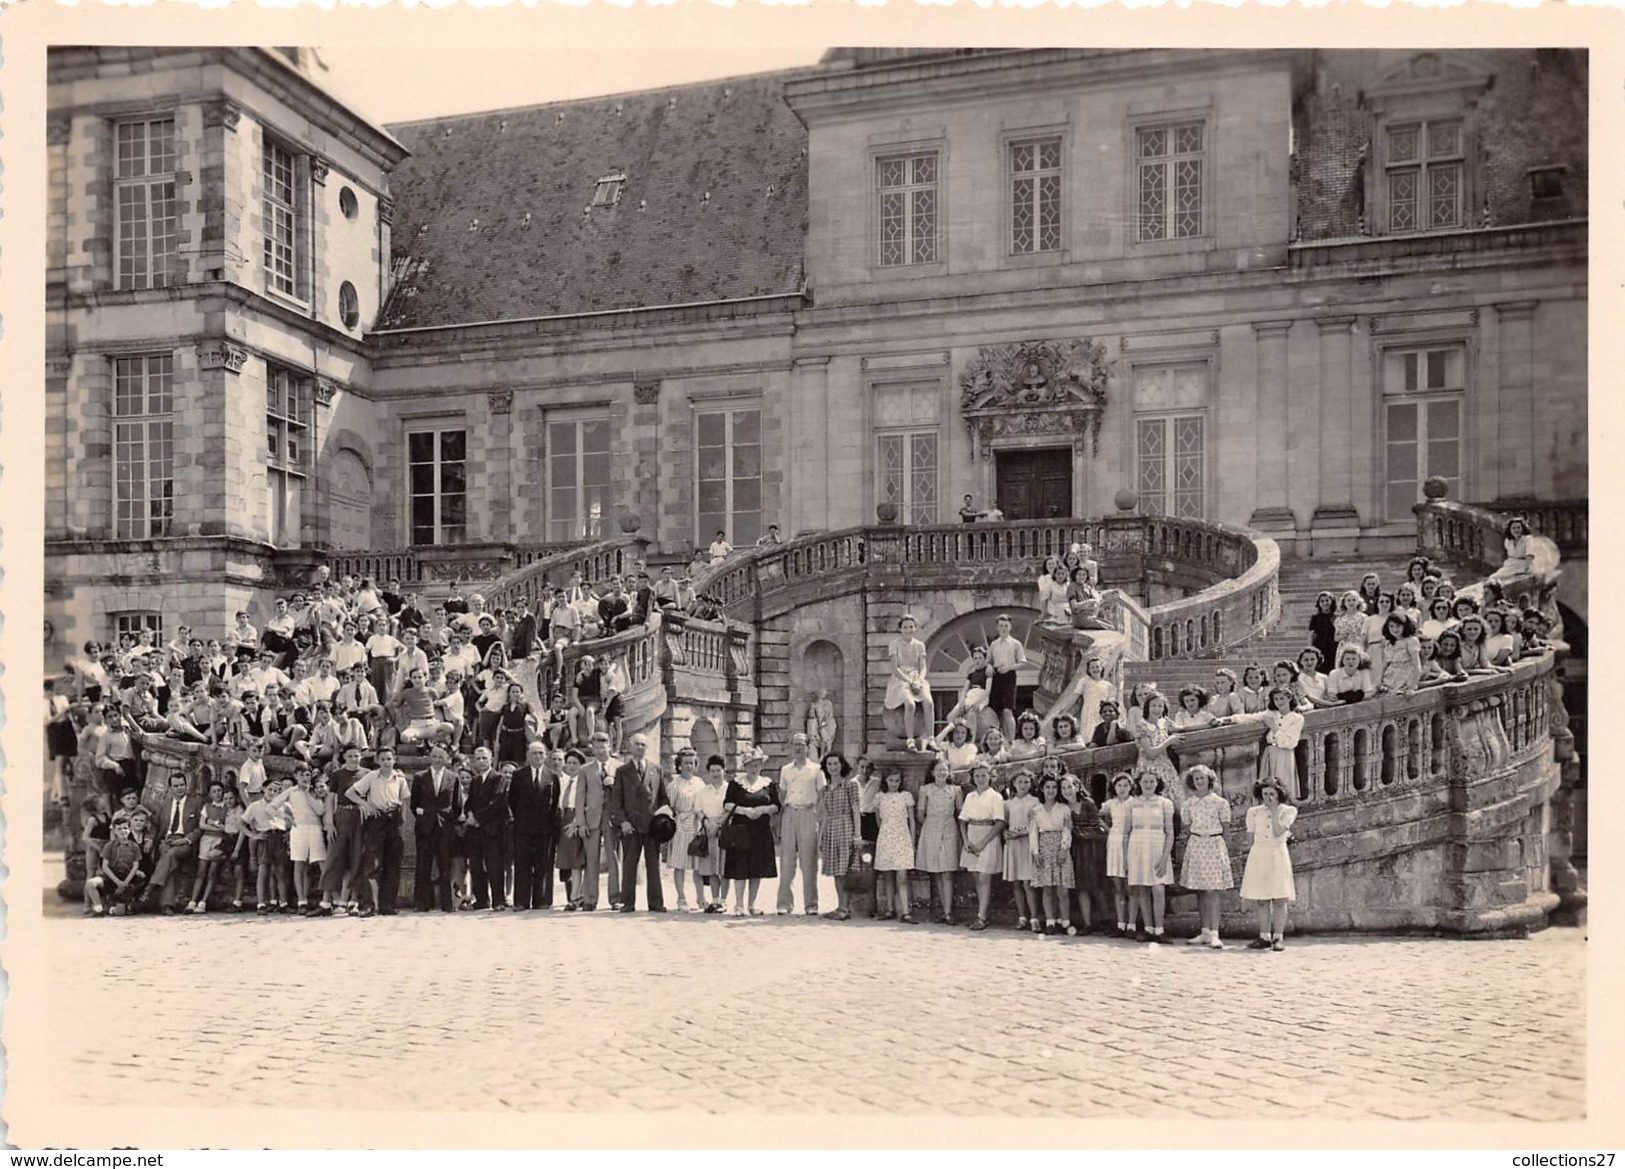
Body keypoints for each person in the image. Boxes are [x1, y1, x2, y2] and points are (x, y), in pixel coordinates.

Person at [609, 734, 667, 913]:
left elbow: (663, 799)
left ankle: (656, 903)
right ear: (630, 746)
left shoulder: (656, 770)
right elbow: (616, 801)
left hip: (651, 827)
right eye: (637, 744)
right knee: (629, 865)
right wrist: (623, 822)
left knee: (653, 866)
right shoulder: (622, 771)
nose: (640, 747)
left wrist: (663, 820)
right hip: (631, 826)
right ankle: (627, 902)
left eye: (643, 744)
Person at [1179, 764, 1233, 949]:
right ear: (1192, 782)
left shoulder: (1220, 803)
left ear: (1209, 779)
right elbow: (1187, 828)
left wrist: (1223, 853)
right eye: (1196, 779)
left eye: (1202, 778)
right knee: (1200, 890)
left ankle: (1215, 933)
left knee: (1212, 891)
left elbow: (1226, 829)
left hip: (1214, 845)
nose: (1199, 781)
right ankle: (1204, 931)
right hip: (1196, 845)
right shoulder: (1188, 804)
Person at [1241, 779, 1298, 951]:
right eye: (1265, 794)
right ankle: (1264, 936)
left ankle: (1278, 937)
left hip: (1278, 854)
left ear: (1279, 794)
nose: (1268, 797)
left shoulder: (1288, 811)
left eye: (1272, 793)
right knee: (1262, 899)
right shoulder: (1253, 812)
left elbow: (1278, 831)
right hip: (1260, 854)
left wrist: (1274, 812)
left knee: (1280, 898)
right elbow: (1250, 838)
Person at [722, 747, 779, 915]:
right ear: (745, 766)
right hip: (741, 830)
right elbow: (727, 804)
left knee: (757, 867)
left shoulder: (768, 784)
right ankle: (739, 905)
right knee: (740, 867)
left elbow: (777, 805)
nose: (754, 768)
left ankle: (752, 904)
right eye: (751, 765)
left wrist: (762, 810)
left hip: (760, 830)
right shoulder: (736, 784)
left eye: (757, 765)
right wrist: (744, 811)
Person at [141, 769, 204, 914]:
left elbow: (200, 828)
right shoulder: (165, 804)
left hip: (184, 842)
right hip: (166, 840)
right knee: (167, 857)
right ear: (170, 788)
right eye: (176, 786)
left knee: (168, 856)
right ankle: (166, 905)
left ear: (186, 786)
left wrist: (187, 839)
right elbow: (155, 825)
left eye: (182, 785)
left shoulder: (196, 803)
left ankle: (151, 888)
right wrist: (149, 840)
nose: (180, 788)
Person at [774, 733, 823, 915]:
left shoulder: (816, 769)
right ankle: (784, 903)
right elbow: (781, 794)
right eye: (795, 744)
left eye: (801, 744)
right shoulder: (786, 770)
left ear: (808, 746)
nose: (798, 748)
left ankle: (811, 904)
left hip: (808, 813)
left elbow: (822, 795)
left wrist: (816, 816)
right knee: (786, 861)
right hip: (789, 813)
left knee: (809, 861)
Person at [1124, 771, 1175, 943]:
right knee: (1142, 888)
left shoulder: (1165, 803)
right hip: (1137, 845)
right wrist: (1126, 858)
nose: (1148, 784)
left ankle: (1159, 930)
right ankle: (1148, 929)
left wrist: (1164, 858)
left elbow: (1170, 833)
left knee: (1158, 888)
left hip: (1157, 845)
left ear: (1157, 783)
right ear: (1139, 783)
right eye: (1145, 781)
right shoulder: (1132, 803)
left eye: (1151, 781)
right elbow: (1126, 832)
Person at [509, 740, 559, 911]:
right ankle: (521, 901)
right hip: (523, 827)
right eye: (534, 753)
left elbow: (555, 803)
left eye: (541, 753)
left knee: (542, 864)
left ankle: (541, 899)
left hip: (544, 828)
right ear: (527, 756)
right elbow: (513, 800)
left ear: (546, 756)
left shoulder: (552, 776)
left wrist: (550, 825)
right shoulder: (518, 775)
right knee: (522, 864)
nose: (538, 756)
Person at [815, 752, 864, 921]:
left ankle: (845, 908)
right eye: (829, 765)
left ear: (841, 765)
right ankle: (840, 906)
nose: (833, 768)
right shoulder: (825, 789)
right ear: (825, 768)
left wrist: (857, 834)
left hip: (846, 827)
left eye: (836, 764)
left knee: (847, 869)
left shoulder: (850, 785)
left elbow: (856, 810)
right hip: (831, 829)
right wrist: (821, 836)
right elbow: (825, 815)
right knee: (836, 870)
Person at [915, 755, 962, 925]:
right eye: (938, 769)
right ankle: (943, 910)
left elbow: (960, 813)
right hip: (931, 829)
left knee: (948, 872)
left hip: (949, 829)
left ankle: (948, 912)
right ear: (933, 772)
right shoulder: (925, 790)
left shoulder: (955, 790)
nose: (941, 772)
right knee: (936, 871)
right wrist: (931, 825)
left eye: (944, 769)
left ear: (949, 772)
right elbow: (920, 814)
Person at [958, 762, 1006, 931]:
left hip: (988, 838)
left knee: (985, 877)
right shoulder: (970, 797)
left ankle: (982, 917)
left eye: (984, 775)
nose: (980, 779)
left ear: (990, 777)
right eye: (977, 776)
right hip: (971, 836)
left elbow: (999, 822)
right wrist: (966, 841)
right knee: (977, 878)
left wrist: (983, 843)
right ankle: (980, 912)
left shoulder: (995, 796)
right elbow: (962, 820)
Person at [464, 747, 512, 911]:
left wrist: (477, 818)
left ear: (491, 759)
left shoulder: (499, 779)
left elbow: (496, 802)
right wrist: (469, 814)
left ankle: (498, 900)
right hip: (475, 831)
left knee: (494, 866)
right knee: (476, 866)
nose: (481, 761)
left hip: (492, 830)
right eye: (478, 759)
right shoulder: (476, 780)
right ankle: (481, 899)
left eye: (484, 758)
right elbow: (469, 802)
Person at [1028, 772, 1074, 936]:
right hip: (1044, 847)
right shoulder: (1036, 810)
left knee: (1062, 890)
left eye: (1054, 787)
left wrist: (1064, 849)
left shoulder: (1064, 808)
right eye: (1047, 787)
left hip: (1060, 847)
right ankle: (1050, 921)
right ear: (1041, 789)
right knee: (1047, 889)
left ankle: (1065, 921)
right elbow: (1033, 833)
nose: (1051, 790)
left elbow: (1067, 830)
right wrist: (1035, 852)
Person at [867, 769, 916, 923]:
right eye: (891, 780)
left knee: (902, 876)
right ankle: (890, 909)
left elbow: (912, 821)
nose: (894, 784)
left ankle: (906, 912)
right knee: (888, 876)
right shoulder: (880, 797)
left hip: (902, 837)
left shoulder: (906, 796)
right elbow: (878, 820)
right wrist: (885, 833)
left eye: (897, 780)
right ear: (886, 781)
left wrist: (912, 840)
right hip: (886, 837)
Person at [1065, 773, 1108, 934]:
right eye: (1063, 788)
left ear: (1077, 787)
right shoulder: (1063, 807)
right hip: (1075, 850)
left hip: (1091, 848)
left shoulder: (1087, 803)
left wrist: (1077, 832)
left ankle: (1106, 921)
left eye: (1070, 787)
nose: (1067, 791)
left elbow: (1097, 826)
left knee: (1096, 885)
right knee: (1081, 887)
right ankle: (1087, 923)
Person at [664, 747, 705, 912]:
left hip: (697, 825)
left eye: (692, 763)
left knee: (698, 865)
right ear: (679, 765)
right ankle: (681, 898)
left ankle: (701, 897)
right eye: (686, 763)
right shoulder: (674, 784)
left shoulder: (700, 782)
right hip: (680, 826)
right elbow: (670, 807)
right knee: (680, 864)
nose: (689, 766)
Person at [884, 614, 932, 750]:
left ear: (915, 628)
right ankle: (910, 739)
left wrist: (919, 680)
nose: (908, 630)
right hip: (901, 679)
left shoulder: (919, 645)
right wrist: (910, 681)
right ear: (900, 629)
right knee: (910, 704)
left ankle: (931, 738)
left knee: (929, 703)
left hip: (917, 678)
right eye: (905, 627)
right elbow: (895, 668)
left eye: (911, 627)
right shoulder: (894, 644)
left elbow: (922, 667)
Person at [1001, 768, 1039, 931]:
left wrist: (1023, 833)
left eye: (1026, 782)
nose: (1023, 785)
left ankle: (1035, 918)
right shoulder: (1008, 803)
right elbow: (1004, 823)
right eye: (1019, 782)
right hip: (1013, 845)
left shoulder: (1036, 801)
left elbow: (1037, 825)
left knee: (1028, 883)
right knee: (1016, 883)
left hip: (1028, 843)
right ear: (1013, 784)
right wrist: (1006, 834)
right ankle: (1022, 917)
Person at [86, 817, 146, 916]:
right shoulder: (109, 846)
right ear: (114, 831)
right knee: (91, 883)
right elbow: (105, 866)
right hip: (111, 878)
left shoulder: (134, 846)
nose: (123, 831)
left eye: (125, 828)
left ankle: (111, 908)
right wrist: (117, 881)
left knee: (120, 912)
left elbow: (135, 866)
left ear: (130, 829)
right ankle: (98, 909)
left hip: (126, 879)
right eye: (119, 829)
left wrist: (125, 883)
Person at [693, 754, 730, 913]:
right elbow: (698, 810)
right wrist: (707, 823)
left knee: (724, 868)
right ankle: (714, 900)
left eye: (718, 770)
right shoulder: (703, 791)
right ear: (708, 772)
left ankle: (724, 900)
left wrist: (719, 824)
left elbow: (731, 809)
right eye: (712, 771)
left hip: (725, 829)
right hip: (708, 830)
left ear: (724, 771)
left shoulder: (729, 789)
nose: (716, 774)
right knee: (712, 868)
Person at [987, 613, 1027, 743]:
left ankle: (1011, 740)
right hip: (996, 676)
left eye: (1006, 626)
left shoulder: (1016, 644)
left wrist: (1009, 667)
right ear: (997, 628)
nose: (1003, 628)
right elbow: (988, 661)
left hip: (1009, 676)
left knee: (1007, 710)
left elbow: (1023, 663)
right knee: (996, 711)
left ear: (1010, 627)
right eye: (1001, 626)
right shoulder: (993, 644)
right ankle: (1000, 739)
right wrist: (989, 667)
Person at [1308, 591, 1339, 681]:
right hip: (1320, 646)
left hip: (1333, 646)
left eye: (1327, 600)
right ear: (1319, 603)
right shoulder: (1315, 618)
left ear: (1331, 602)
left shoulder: (1337, 617)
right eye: (1322, 601)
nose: (1325, 603)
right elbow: (1311, 634)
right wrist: (1310, 648)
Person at [1494, 515, 1534, 580]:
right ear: (1510, 530)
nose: (1516, 530)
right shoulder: (1508, 541)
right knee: (1494, 578)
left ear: (1522, 529)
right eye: (1513, 528)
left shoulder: (1528, 539)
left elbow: (1529, 555)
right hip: (1510, 565)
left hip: (1522, 565)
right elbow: (1507, 556)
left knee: (1498, 578)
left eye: (1518, 528)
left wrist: (1527, 569)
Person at [805, 690, 837, 759]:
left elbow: (829, 714)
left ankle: (827, 753)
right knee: (824, 738)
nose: (823, 694)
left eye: (824, 693)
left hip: (827, 723)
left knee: (827, 740)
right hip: (819, 724)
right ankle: (822, 754)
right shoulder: (814, 704)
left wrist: (825, 722)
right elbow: (812, 715)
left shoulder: (828, 703)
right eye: (822, 693)